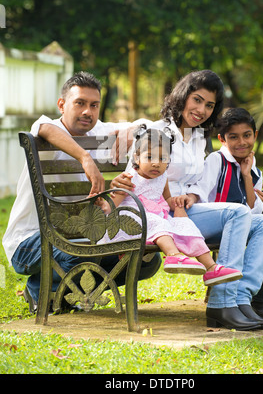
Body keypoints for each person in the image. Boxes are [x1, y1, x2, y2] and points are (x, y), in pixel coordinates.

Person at [118, 70, 263, 330]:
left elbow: (196, 182)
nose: (201, 109)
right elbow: (136, 173)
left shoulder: (197, 137)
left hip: (186, 212)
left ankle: (240, 299)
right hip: (160, 214)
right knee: (237, 213)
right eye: (197, 99)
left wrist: (191, 195)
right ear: (183, 96)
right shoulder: (156, 131)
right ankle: (221, 304)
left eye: (209, 105)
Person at [3, 71, 161, 312]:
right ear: (62, 105)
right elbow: (41, 126)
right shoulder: (51, 130)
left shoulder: (100, 132)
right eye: (80, 103)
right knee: (85, 251)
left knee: (146, 260)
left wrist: (135, 128)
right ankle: (43, 289)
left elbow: (150, 125)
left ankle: (53, 288)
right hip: (29, 242)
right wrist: (85, 157)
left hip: (80, 236)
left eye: (94, 105)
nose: (88, 111)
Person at [198, 107, 263, 317]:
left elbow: (254, 211)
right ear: (222, 139)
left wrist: (246, 177)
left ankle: (247, 285)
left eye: (247, 135)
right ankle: (259, 297)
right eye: (233, 137)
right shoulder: (217, 161)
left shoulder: (254, 170)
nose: (242, 142)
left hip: (247, 224)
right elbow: (203, 198)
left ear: (255, 135)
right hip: (218, 225)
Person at [110, 125, 242, 285]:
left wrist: (177, 202)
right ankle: (173, 256)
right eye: (150, 157)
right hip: (131, 220)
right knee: (158, 221)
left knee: (185, 224)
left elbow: (167, 201)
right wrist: (104, 205)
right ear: (137, 158)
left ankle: (211, 268)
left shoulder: (162, 177)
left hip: (156, 220)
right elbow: (112, 206)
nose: (156, 164)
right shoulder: (130, 178)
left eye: (163, 159)